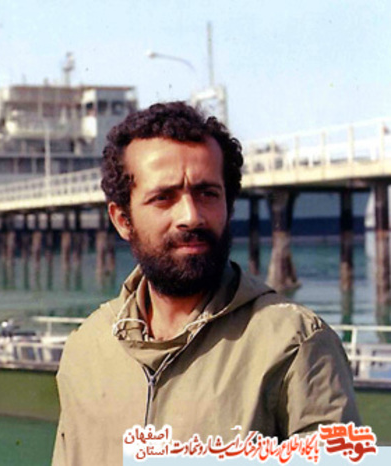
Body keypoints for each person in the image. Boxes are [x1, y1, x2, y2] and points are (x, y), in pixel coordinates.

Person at [52, 102, 360, 465]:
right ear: (122, 219)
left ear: (229, 205)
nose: (191, 216)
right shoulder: (87, 348)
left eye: (207, 193)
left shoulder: (295, 344)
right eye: (163, 197)